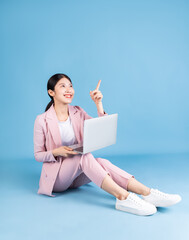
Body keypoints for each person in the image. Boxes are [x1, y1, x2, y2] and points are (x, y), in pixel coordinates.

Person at [33, 73, 182, 216]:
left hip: (76, 177)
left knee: (101, 162)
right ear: (51, 92)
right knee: (83, 157)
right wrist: (56, 152)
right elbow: (38, 155)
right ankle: (123, 197)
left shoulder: (77, 112)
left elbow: (100, 128)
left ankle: (148, 193)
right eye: (63, 86)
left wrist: (98, 104)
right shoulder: (42, 120)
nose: (69, 90)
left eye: (70, 86)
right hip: (57, 178)